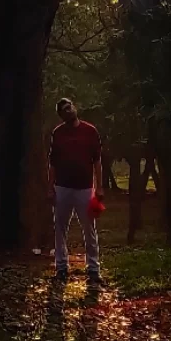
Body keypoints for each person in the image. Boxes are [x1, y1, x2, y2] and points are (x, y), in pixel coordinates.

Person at [47, 96, 103, 283]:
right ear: (61, 115)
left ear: (75, 107)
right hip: (62, 187)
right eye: (63, 110)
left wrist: (99, 187)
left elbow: (97, 161)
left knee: (89, 228)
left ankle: (93, 269)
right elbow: (53, 163)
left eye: (69, 106)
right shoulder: (58, 133)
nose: (68, 111)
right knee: (60, 228)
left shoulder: (90, 131)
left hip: (85, 188)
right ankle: (61, 267)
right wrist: (50, 187)